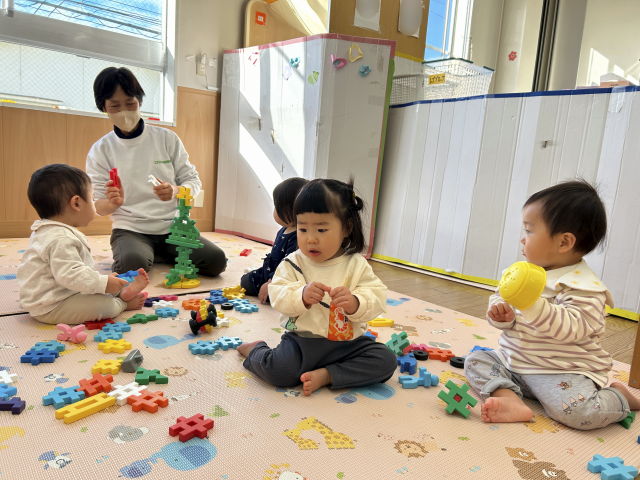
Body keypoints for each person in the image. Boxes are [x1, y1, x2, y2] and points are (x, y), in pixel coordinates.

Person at [465, 180, 640, 429]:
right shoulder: (525, 272)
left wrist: (531, 304)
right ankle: (509, 398)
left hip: (560, 373)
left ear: (564, 242)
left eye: (529, 231)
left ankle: (618, 397)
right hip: (513, 362)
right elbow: (500, 296)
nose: (522, 239)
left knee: (578, 412)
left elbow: (573, 329)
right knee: (476, 360)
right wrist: (501, 314)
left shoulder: (584, 287)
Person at [238, 179, 397, 395]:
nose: (311, 239)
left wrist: (356, 302)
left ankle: (328, 374)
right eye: (303, 229)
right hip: (303, 343)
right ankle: (256, 350)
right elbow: (278, 294)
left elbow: (376, 295)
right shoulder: (293, 262)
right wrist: (300, 295)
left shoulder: (356, 264)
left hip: (349, 344)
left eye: (321, 229)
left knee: (386, 360)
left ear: (347, 228)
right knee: (279, 371)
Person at [85, 67, 227, 277]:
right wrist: (112, 203)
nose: (124, 111)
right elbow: (99, 206)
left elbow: (193, 181)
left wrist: (175, 191)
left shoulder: (166, 139)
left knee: (216, 261)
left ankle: (162, 252)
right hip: (130, 229)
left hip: (174, 226)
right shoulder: (101, 150)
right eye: (115, 106)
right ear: (103, 107)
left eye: (130, 103)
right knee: (131, 266)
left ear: (140, 101)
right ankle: (153, 252)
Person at [17, 164, 149, 325]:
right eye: (92, 198)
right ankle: (122, 303)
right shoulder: (61, 239)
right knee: (103, 305)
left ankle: (119, 292)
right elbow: (71, 275)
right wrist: (103, 283)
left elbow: (75, 273)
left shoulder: (47, 230)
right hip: (51, 306)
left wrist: (103, 282)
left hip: (60, 292)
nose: (94, 203)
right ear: (77, 203)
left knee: (101, 286)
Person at [241, 177, 308, 303]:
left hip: (280, 279)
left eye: (276, 207)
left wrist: (271, 284)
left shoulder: (297, 237)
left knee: (250, 285)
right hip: (269, 271)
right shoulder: (284, 229)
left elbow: (288, 268)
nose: (274, 211)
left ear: (290, 211)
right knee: (245, 280)